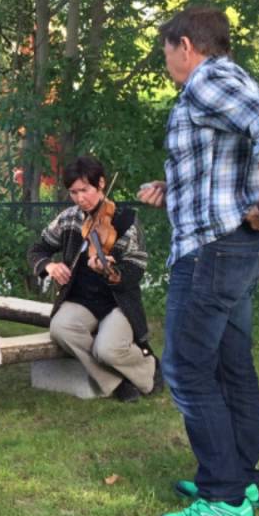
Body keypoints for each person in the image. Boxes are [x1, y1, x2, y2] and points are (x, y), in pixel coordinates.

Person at [138, 6, 259, 516]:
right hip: (230, 246)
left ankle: (225, 498)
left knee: (184, 368)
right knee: (232, 365)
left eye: (166, 53)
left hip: (212, 252)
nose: (166, 64)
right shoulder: (225, 83)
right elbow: (224, 171)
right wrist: (172, 192)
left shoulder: (208, 80)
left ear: (186, 45)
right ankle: (241, 477)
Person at [28, 155, 161, 402]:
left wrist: (111, 271)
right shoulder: (69, 218)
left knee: (107, 349)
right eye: (74, 192)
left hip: (117, 302)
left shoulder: (125, 221)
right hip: (80, 301)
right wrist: (50, 266)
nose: (80, 199)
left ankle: (149, 369)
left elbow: (137, 267)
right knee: (60, 329)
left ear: (101, 184)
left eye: (85, 190)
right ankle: (118, 383)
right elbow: (37, 249)